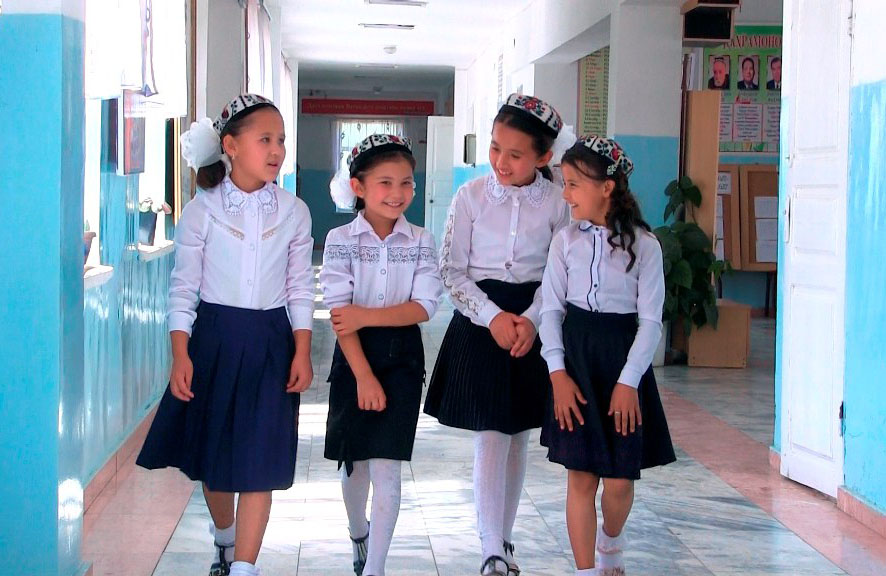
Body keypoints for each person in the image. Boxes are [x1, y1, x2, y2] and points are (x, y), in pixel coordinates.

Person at [136, 94, 315, 576]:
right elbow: (183, 288)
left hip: (271, 342)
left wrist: (302, 348)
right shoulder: (203, 210)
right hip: (214, 339)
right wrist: (180, 353)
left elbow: (300, 286)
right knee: (216, 460)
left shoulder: (294, 212)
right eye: (265, 139)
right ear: (231, 146)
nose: (276, 150)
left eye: (281, 140)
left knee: (260, 460)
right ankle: (226, 538)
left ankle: (244, 568)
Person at [424, 93, 571, 576]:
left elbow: (560, 272)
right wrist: (493, 317)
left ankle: (503, 540)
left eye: (515, 154)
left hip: (533, 320)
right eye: (494, 148)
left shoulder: (558, 203)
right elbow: (451, 270)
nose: (501, 162)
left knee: (517, 432)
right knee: (491, 431)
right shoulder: (470, 197)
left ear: (543, 157)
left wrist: (532, 319)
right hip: (481, 321)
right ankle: (490, 547)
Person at [538, 136, 676, 576]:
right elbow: (550, 311)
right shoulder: (565, 242)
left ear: (607, 187)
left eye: (573, 184)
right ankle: (586, 571)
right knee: (580, 476)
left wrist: (629, 381)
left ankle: (610, 544)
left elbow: (650, 322)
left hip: (622, 364)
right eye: (564, 183)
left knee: (618, 481)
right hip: (576, 364)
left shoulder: (645, 246)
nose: (565, 194)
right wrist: (557, 374)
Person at [321, 134, 443, 576]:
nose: (398, 193)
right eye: (385, 183)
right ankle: (359, 533)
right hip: (354, 358)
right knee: (354, 465)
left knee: (388, 468)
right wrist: (364, 377)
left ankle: (375, 568)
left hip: (403, 359)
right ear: (359, 187)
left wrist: (364, 315)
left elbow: (424, 307)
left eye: (406, 183)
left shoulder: (422, 239)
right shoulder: (340, 239)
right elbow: (341, 317)